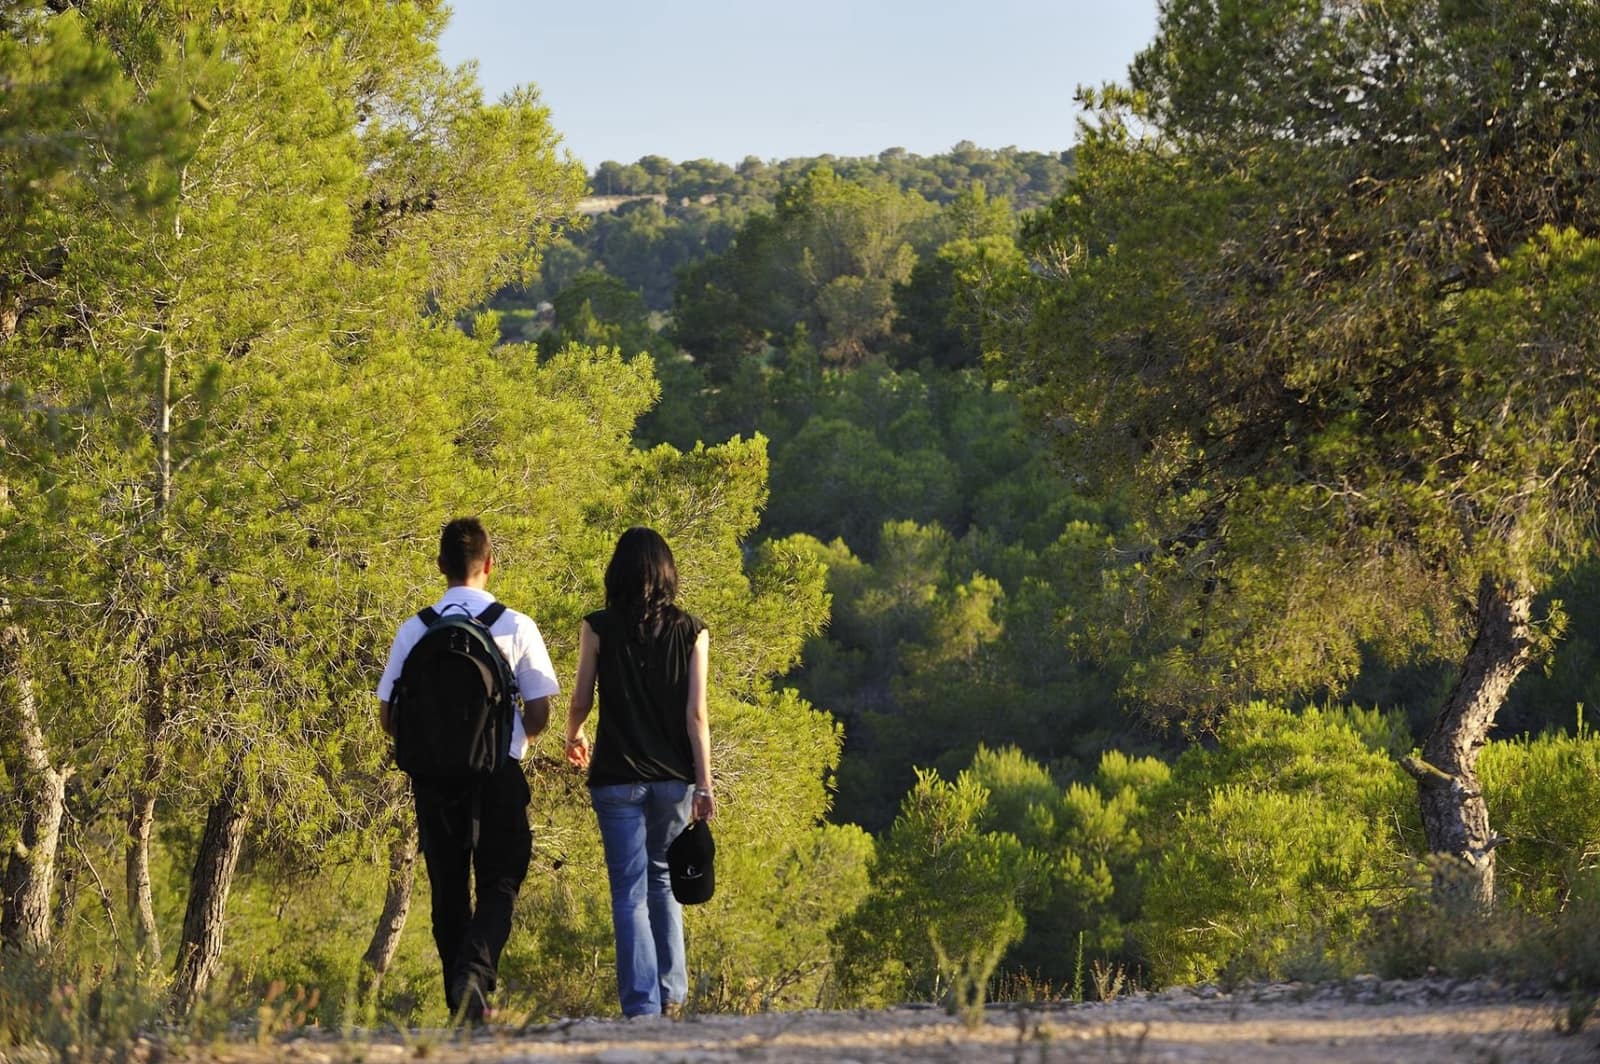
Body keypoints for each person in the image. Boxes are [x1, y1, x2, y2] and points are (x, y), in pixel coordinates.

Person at [377, 517, 559, 1021]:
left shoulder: (416, 628)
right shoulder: (515, 624)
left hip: (434, 778)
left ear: (440, 567)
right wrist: (516, 738)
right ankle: (475, 975)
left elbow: (389, 717)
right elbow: (541, 708)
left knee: (448, 883)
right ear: (490, 565)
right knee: (502, 878)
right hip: (499, 769)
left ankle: (461, 1003)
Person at [563, 527, 715, 1019]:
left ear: (618, 573)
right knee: (663, 881)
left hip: (616, 776)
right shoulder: (693, 630)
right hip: (673, 778)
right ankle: (672, 995)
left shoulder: (598, 627)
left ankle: (641, 1007)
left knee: (628, 891)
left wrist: (575, 733)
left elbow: (582, 698)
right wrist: (705, 784)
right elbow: (697, 717)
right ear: (668, 573)